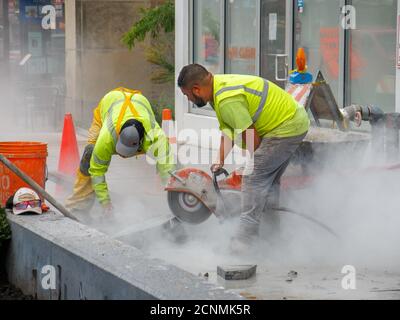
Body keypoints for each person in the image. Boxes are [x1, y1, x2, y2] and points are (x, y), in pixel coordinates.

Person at [177, 64, 310, 252]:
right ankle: (272, 236)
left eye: (187, 95)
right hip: (293, 121)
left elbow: (250, 135)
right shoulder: (218, 90)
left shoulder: (226, 99)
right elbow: (229, 131)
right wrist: (219, 161)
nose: (188, 99)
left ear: (196, 89)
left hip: (285, 127)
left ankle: (244, 241)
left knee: (253, 179)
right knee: (269, 183)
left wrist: (252, 164)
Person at [65, 87, 175, 215]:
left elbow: (167, 166)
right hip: (111, 101)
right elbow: (97, 171)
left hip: (139, 101)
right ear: (118, 137)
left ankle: (181, 191)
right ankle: (79, 204)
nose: (123, 155)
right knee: (90, 154)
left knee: (167, 159)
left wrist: (174, 196)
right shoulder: (107, 136)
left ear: (141, 142)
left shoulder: (155, 137)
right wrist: (106, 203)